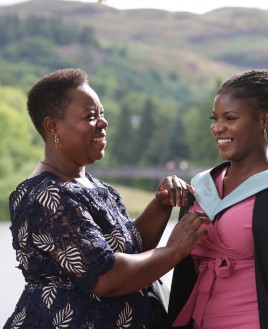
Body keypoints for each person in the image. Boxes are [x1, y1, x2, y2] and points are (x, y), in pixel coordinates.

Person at [4, 68, 209, 329]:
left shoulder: (98, 188)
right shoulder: (46, 196)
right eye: (90, 116)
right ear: (52, 125)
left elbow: (133, 252)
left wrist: (161, 204)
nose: (103, 123)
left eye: (102, 114)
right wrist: (174, 250)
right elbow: (106, 276)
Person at [168, 68, 268, 329]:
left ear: (265, 120)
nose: (217, 128)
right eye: (215, 118)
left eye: (230, 118)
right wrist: (160, 205)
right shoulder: (201, 188)